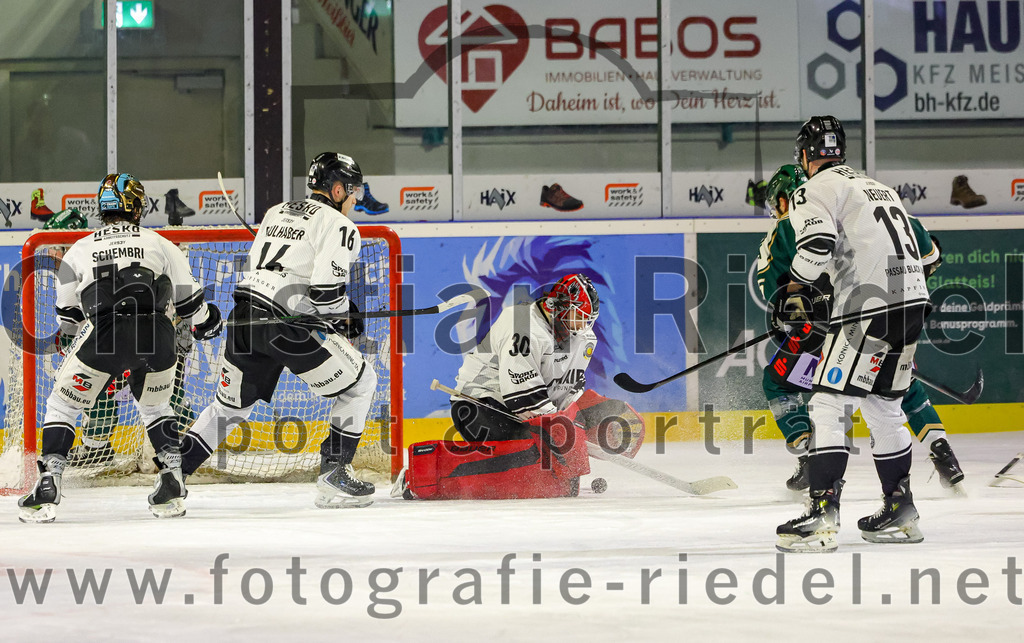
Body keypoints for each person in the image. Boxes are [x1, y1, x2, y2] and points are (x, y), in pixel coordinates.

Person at [17, 173, 223, 522]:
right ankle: (171, 482)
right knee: (156, 409)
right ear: (138, 206)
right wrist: (210, 320)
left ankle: (50, 482)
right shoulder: (160, 242)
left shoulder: (80, 248)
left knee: (62, 404)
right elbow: (192, 308)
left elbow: (68, 318)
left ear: (103, 208)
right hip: (158, 336)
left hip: (107, 333)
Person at [178, 152, 378, 508]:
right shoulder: (340, 225)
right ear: (335, 190)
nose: (354, 201)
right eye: (353, 193)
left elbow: (261, 267)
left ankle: (172, 475)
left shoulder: (276, 211)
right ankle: (335, 471)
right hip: (287, 322)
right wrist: (346, 316)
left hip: (244, 316)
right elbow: (326, 294)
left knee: (228, 410)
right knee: (361, 383)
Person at [775, 116, 934, 552]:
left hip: (869, 304)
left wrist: (797, 288)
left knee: (828, 403)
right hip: (915, 299)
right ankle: (900, 510)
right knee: (885, 406)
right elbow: (924, 251)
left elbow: (817, 244)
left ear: (806, 155)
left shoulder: (812, 188)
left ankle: (822, 514)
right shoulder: (877, 185)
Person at [756, 164, 965, 493]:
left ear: (784, 200)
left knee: (779, 383)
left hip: (828, 330)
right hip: (886, 310)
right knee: (896, 387)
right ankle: (942, 453)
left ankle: (810, 454)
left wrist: (794, 316)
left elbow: (776, 293)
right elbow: (930, 255)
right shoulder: (864, 203)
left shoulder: (788, 224)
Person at [394, 274, 646, 500]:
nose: (582, 327)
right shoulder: (522, 324)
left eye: (587, 320)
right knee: (533, 452)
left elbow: (567, 391)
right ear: (556, 307)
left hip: (527, 411)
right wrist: (566, 433)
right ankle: (423, 473)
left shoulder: (582, 337)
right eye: (577, 317)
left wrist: (589, 418)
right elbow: (523, 397)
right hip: (479, 407)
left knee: (552, 471)